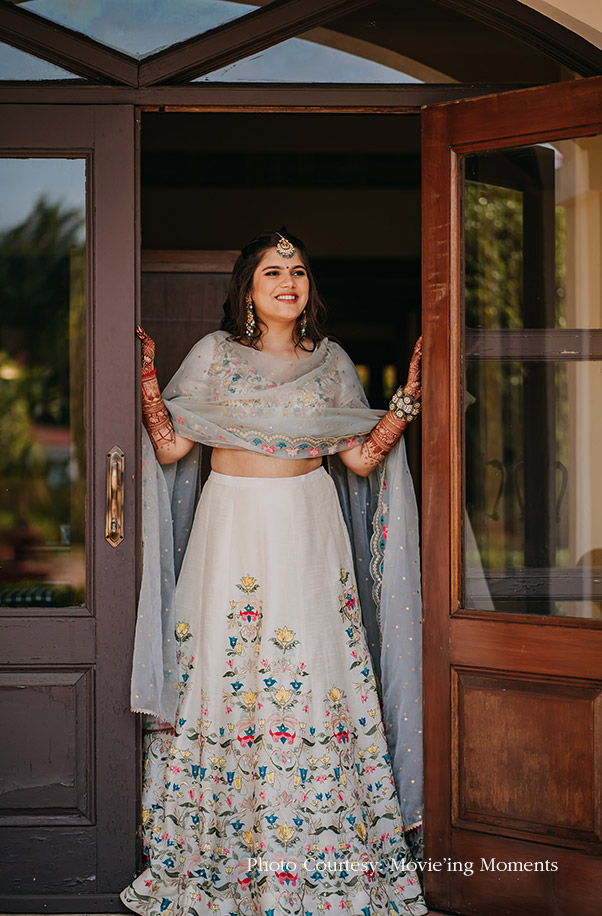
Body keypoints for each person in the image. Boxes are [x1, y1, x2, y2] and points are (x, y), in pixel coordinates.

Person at [121, 230, 426, 916]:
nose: (287, 281)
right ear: (248, 291)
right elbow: (169, 445)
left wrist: (404, 401)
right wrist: (146, 374)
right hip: (230, 525)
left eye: (297, 271)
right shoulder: (214, 356)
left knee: (316, 669)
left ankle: (320, 852)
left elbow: (357, 460)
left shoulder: (333, 364)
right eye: (271, 272)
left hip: (308, 524)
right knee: (226, 674)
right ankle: (216, 859)